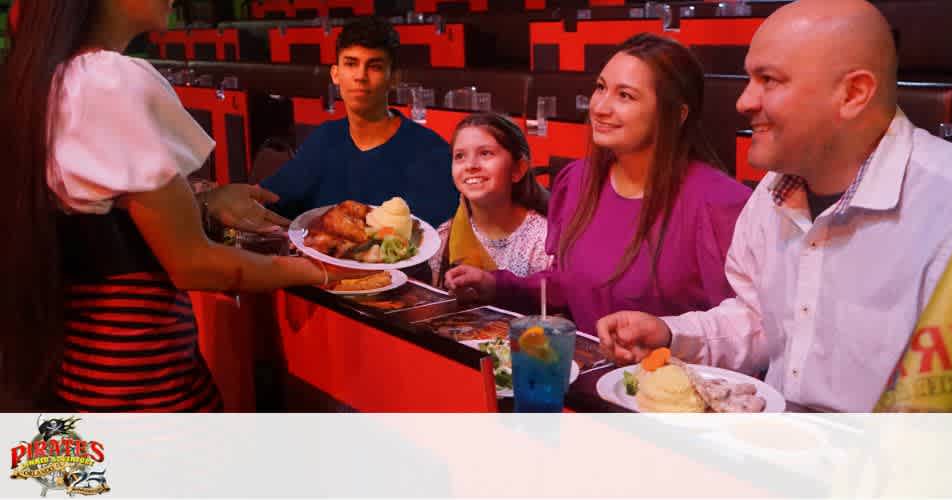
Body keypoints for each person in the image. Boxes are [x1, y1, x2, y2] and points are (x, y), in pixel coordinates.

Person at [596, 0, 952, 412]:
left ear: (853, 93)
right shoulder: (774, 191)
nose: (743, 101)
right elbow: (757, 319)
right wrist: (669, 333)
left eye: (768, 80)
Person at [0, 0, 363, 411]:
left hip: (84, 381)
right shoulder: (110, 80)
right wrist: (321, 269)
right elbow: (192, 263)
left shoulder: (51, 78)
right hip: (146, 386)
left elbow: (102, 219)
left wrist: (204, 203)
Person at [445, 34, 751, 336]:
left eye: (625, 96)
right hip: (582, 374)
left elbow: (741, 327)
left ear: (676, 113)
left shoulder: (719, 203)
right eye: (601, 88)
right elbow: (571, 285)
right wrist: (497, 285)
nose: (600, 107)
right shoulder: (577, 181)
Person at [251, 17, 458, 227]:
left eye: (374, 66)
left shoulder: (431, 152)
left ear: (394, 78)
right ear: (335, 74)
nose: (360, 76)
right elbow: (269, 197)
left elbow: (435, 241)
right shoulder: (325, 138)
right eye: (351, 64)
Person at [428, 113, 551, 287]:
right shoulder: (442, 239)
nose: (470, 165)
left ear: (518, 169)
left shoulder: (545, 243)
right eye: (460, 156)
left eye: (485, 153)